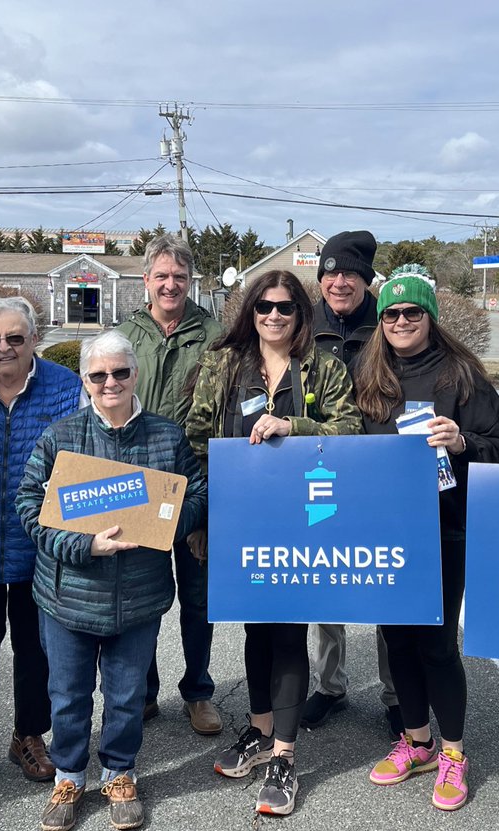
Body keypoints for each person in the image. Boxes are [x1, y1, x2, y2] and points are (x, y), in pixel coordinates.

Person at [186, 270, 361, 816]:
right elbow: (195, 439)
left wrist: (294, 426)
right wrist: (202, 519)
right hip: (239, 522)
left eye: (285, 307)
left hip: (305, 523)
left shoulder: (325, 368)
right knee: (256, 630)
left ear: (300, 313)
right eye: (264, 307)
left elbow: (351, 432)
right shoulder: (223, 364)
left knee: (288, 632)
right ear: (250, 311)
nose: (274, 316)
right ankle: (261, 732)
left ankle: (286, 755)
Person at [15, 330, 206, 831]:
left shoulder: (166, 436)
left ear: (135, 374)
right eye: (98, 375)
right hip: (68, 597)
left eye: (120, 372)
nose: (110, 382)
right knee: (68, 694)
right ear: (85, 380)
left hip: (138, 599)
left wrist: (165, 527)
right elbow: (29, 507)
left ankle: (120, 773)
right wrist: (85, 545)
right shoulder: (61, 437)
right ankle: (71, 775)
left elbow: (198, 493)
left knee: (125, 697)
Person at [355, 271, 499, 811]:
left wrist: (462, 440)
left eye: (412, 314)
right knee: (396, 639)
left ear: (430, 319)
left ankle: (452, 752)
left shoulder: (460, 374)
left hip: (444, 527)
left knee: (438, 645)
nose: (401, 322)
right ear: (381, 323)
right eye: (392, 315)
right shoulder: (369, 373)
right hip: (385, 529)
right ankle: (416, 741)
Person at [0, 296, 83, 798]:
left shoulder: (66, 387)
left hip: (41, 547)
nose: (3, 348)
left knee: (37, 650)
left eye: (14, 338)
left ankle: (29, 736)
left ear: (34, 339)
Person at [116, 233, 224, 736]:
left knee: (198, 599)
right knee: (143, 594)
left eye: (179, 276)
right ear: (146, 281)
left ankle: (199, 691)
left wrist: (210, 503)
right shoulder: (126, 335)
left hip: (196, 484)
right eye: (161, 275)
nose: (170, 284)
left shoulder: (216, 335)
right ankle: (144, 690)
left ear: (190, 281)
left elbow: (223, 416)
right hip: (139, 485)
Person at [303, 229, 401, 736]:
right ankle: (331, 685)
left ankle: (394, 693)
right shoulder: (304, 325)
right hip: (319, 466)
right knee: (325, 583)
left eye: (350, 274)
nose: (339, 282)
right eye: (331, 273)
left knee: (383, 581)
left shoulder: (388, 324)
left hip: (375, 468)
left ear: (367, 280)